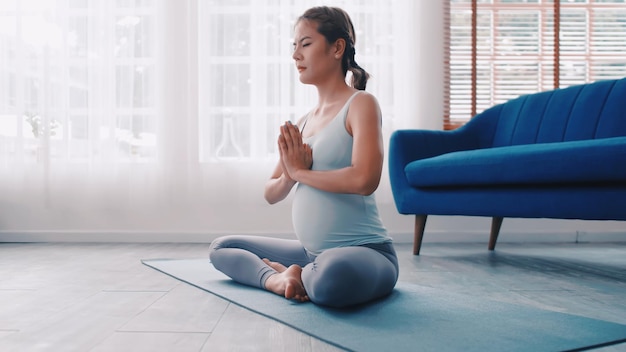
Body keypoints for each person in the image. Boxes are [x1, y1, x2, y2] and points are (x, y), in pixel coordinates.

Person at [208, 6, 398, 308]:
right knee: (222, 248)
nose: (296, 55)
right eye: (293, 46)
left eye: (305, 44)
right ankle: (280, 279)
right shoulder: (304, 122)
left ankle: (304, 276)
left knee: (331, 277)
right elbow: (271, 192)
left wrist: (300, 174)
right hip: (311, 254)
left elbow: (365, 179)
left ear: (337, 47)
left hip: (365, 252)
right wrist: (289, 174)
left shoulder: (361, 104)